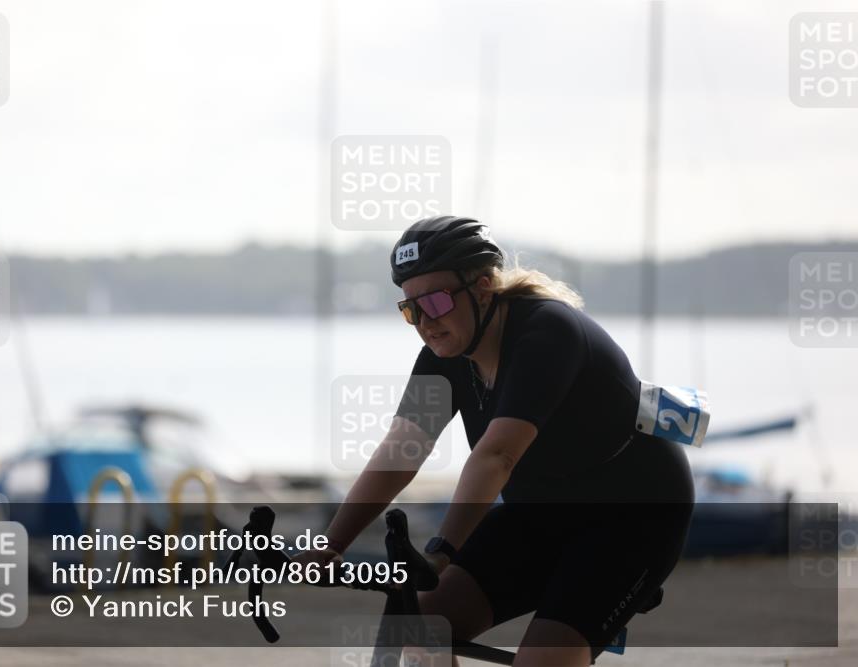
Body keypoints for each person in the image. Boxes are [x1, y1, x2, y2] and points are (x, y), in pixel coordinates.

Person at [296, 215, 695, 666]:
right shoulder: (443, 355)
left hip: (631, 518)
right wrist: (331, 544)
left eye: (437, 301)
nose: (425, 321)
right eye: (411, 309)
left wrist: (442, 551)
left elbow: (498, 455)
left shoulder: (548, 333)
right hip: (540, 514)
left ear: (483, 286)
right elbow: (400, 451)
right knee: (419, 631)